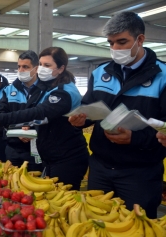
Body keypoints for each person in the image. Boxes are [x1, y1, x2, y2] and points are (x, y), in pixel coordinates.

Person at [68, 11, 166, 218]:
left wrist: (135, 138)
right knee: (95, 222)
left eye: (122, 42)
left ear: (140, 40)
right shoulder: (100, 73)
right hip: (100, 168)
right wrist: (81, 119)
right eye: (111, 43)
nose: (115, 49)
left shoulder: (162, 77)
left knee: (136, 227)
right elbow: (89, 106)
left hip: (140, 173)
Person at [0, 47, 89, 190]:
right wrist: (30, 127)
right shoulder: (49, 88)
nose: (41, 69)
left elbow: (40, 112)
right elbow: (44, 118)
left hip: (67, 158)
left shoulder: (63, 92)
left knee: (62, 199)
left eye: (47, 65)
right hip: (50, 156)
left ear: (61, 68)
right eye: (40, 64)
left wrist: (1, 118)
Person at [0, 50, 43, 171]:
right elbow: (2, 115)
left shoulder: (45, 90)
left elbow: (48, 115)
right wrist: (18, 131)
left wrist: (31, 131)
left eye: (26, 67)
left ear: (36, 69)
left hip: (37, 149)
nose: (21, 70)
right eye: (19, 66)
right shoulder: (9, 90)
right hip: (13, 147)